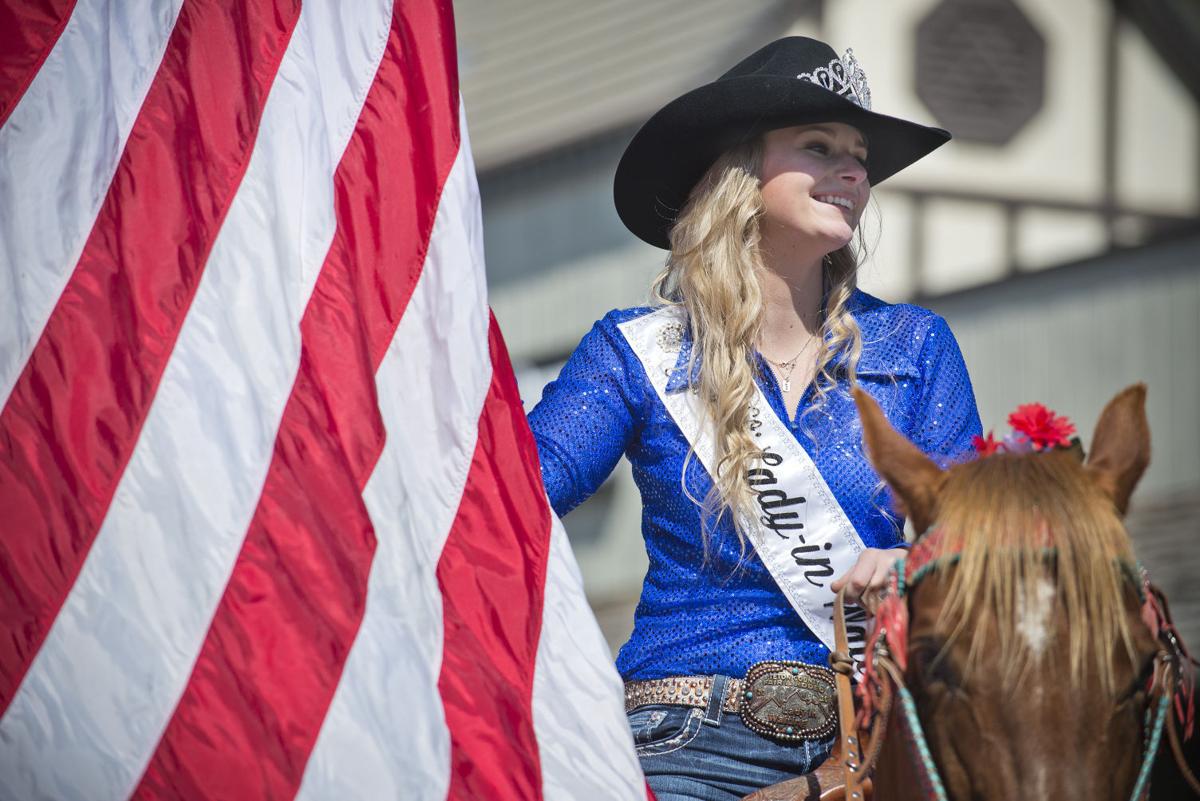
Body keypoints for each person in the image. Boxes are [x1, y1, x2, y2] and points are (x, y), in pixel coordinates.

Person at [527, 37, 981, 801]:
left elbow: (980, 536)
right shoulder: (639, 350)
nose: (853, 173)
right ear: (743, 169)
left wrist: (910, 564)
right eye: (819, 146)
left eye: (859, 156)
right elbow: (512, 491)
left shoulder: (915, 347)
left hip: (871, 737)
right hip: (683, 740)